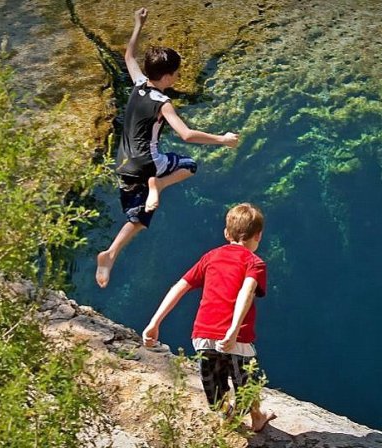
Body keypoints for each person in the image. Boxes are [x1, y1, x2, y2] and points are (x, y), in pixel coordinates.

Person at [95, 7, 240, 288]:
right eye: (175, 74)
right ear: (167, 76)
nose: (176, 78)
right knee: (189, 166)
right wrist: (222, 139)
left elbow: (128, 56)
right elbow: (186, 134)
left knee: (138, 217)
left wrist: (138, 24)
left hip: (124, 165)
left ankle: (110, 254)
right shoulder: (163, 103)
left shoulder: (138, 85)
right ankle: (157, 185)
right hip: (150, 164)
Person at [142, 203, 276, 432]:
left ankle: (227, 415)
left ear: (226, 233)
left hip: (202, 335)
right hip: (236, 339)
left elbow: (180, 287)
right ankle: (256, 417)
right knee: (247, 381)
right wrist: (233, 330)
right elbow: (247, 291)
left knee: (214, 387)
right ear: (258, 236)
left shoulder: (211, 257)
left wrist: (154, 322)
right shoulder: (255, 263)